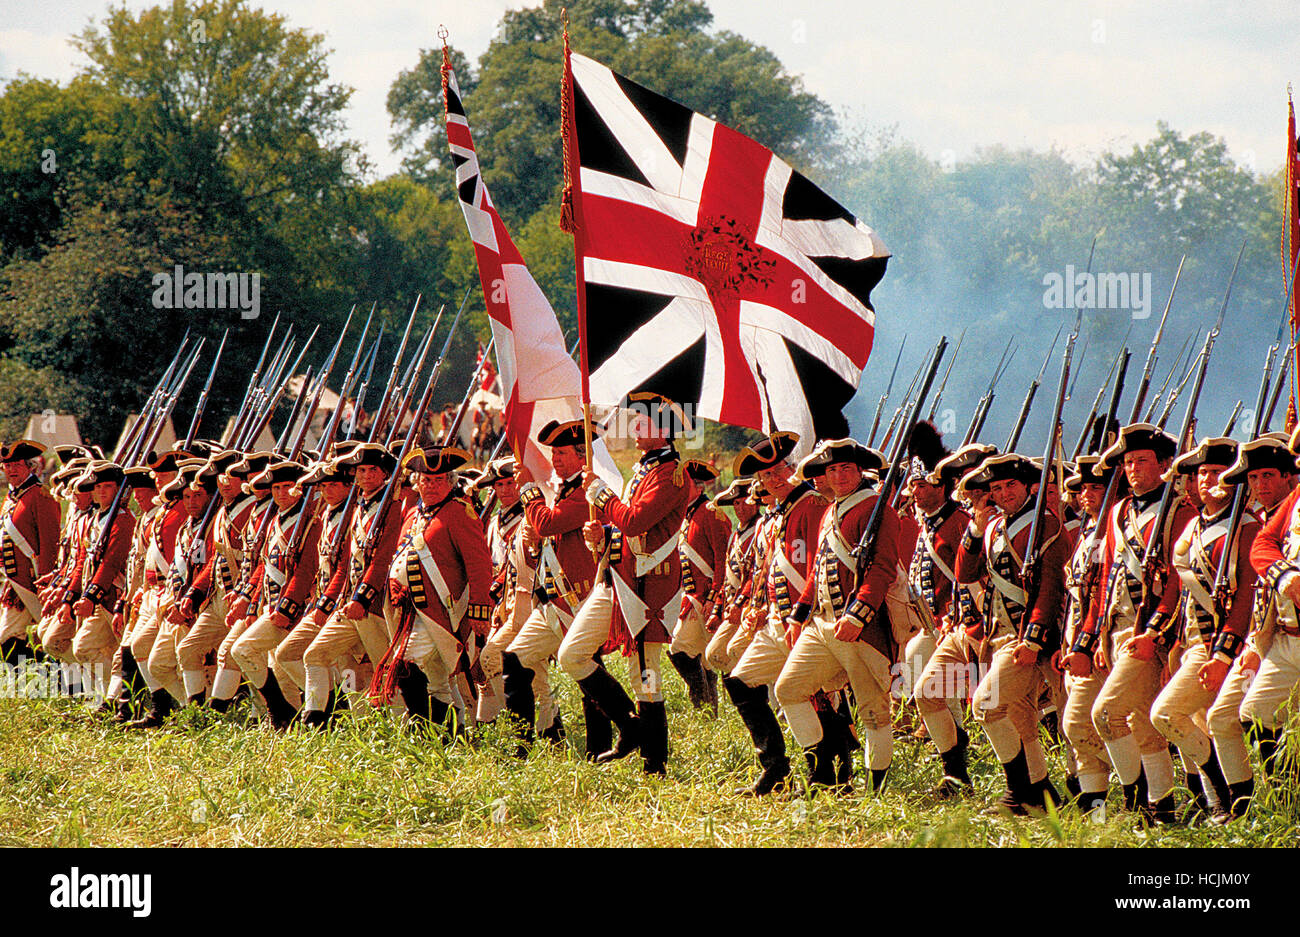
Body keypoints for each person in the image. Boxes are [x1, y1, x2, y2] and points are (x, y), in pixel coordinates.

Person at [558, 393, 692, 776]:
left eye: (643, 422)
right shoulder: (645, 469)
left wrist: (600, 493)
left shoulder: (671, 474)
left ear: (664, 430)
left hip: (648, 587)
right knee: (573, 654)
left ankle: (655, 763)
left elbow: (636, 521)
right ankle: (630, 726)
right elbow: (626, 528)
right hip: (618, 580)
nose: (635, 427)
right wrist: (601, 533)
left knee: (646, 676)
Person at [1069, 423, 1195, 822]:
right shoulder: (1119, 512)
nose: (1133, 468)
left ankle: (1135, 800)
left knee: (1106, 714)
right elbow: (1104, 579)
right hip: (1115, 629)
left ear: (1163, 464)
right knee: (1141, 725)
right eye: (1127, 462)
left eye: (1142, 460)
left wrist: (1153, 632)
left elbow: (1177, 581)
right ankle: (1162, 807)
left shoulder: (1180, 510)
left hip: (1154, 632)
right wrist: (1088, 640)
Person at [776, 439, 899, 791]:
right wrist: (799, 615)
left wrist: (858, 615)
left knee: (873, 711)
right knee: (789, 689)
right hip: (822, 623)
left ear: (860, 470)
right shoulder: (830, 511)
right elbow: (818, 567)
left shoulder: (877, 509)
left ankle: (876, 790)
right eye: (832, 470)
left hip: (861, 627)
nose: (839, 475)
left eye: (845, 468)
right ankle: (822, 773)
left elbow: (882, 569)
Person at [1150, 437, 1257, 823]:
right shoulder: (1194, 526)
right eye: (1201, 473)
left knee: (1166, 715)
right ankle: (1225, 803)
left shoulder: (1246, 527)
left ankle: (1231, 797)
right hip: (1191, 641)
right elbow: (1180, 594)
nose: (1207, 480)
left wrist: (1221, 655)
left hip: (1222, 645)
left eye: (1216, 472)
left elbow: (1245, 599)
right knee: (1201, 723)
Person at [957, 453, 1069, 815]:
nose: (1004, 493)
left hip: (1033, 637)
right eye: (996, 488)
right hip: (1002, 636)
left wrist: (1033, 638)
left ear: (1028, 487)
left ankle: (1019, 791)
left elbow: (1049, 587)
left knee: (986, 705)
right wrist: (975, 528)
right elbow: (965, 572)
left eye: (1010, 486)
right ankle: (1039, 792)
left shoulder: (1044, 524)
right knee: (1020, 718)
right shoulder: (992, 526)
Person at [723, 431, 826, 794]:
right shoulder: (780, 512)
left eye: (779, 470)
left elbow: (817, 566)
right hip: (777, 620)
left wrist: (801, 613)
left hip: (808, 619)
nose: (774, 479)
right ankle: (776, 769)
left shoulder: (812, 505)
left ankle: (826, 775)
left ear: (793, 468)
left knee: (813, 694)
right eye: (766, 476)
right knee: (739, 681)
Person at [1205, 433, 1297, 816]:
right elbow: (1263, 547)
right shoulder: (1292, 504)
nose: (1259, 486)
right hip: (1285, 637)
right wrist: (1284, 576)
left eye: (1268, 476)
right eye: (1253, 478)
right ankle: (1283, 805)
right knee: (1253, 713)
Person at [375, 445, 493, 728]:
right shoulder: (414, 515)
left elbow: (479, 564)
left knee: (405, 668)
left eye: (439, 480)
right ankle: (451, 733)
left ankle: (432, 725)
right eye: (426, 480)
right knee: (437, 678)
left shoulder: (459, 513)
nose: (431, 485)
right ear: (417, 483)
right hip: (410, 611)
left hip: (442, 612)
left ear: (450, 482)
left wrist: (479, 610)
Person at [501, 420, 600, 755]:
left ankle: (599, 750)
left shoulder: (585, 494)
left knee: (589, 676)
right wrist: (534, 543)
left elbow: (549, 522)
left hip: (577, 598)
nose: (555, 458)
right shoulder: (564, 490)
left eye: (562, 452)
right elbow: (549, 539)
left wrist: (528, 490)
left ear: (581, 456)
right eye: (554, 452)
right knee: (515, 660)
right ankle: (521, 747)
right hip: (552, 599)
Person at [668, 459, 728, 713]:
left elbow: (723, 560)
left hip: (705, 598)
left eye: (687, 483)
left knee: (681, 650)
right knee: (701, 657)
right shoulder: (686, 514)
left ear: (699, 487)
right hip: (691, 598)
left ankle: (704, 703)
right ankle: (707, 706)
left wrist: (715, 597)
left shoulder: (711, 513)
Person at [0, 440, 60, 662]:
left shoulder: (41, 496)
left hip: (36, 582)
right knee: (8, 640)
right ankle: (49, 681)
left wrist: (45, 580)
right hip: (16, 583)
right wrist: (10, 581)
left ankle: (64, 683)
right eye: (7, 466)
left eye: (16, 464)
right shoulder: (11, 498)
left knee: (53, 640)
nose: (11, 470)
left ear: (30, 466)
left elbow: (50, 542)